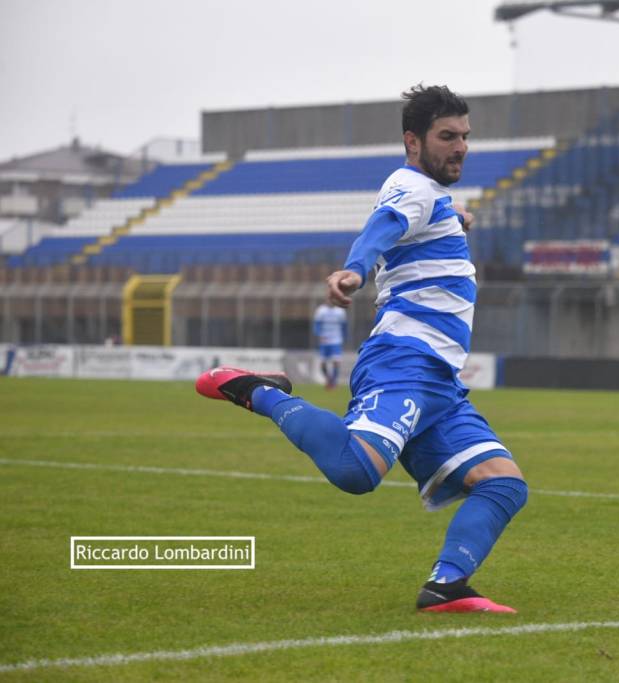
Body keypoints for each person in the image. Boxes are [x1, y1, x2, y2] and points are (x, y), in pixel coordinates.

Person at [196, 85, 528, 613]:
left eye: (465, 136)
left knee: (504, 484)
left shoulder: (430, 196)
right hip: (403, 359)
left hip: (438, 379)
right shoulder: (411, 187)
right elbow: (385, 225)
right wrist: (355, 268)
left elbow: (416, 221)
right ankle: (257, 392)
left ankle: (445, 588)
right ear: (412, 141)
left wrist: (455, 217)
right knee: (356, 470)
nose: (461, 146)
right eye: (448, 136)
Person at [313, 300, 347, 389]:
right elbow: (317, 325)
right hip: (324, 340)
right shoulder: (321, 310)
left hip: (336, 339)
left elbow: (344, 326)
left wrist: (344, 337)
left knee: (336, 361)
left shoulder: (340, 311)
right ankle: (328, 379)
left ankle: (333, 382)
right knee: (323, 363)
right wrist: (319, 335)